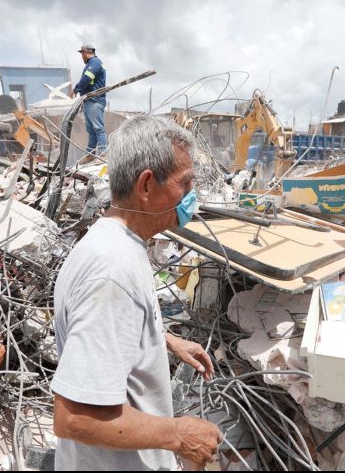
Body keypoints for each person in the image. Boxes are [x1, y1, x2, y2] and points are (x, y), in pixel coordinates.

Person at [51, 115, 222, 471]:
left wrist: (163, 339)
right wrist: (179, 435)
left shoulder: (112, 242)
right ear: (146, 185)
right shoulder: (113, 271)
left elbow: (111, 329)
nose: (192, 196)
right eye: (185, 183)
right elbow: (76, 418)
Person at [73, 44, 107, 162]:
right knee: (91, 130)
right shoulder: (91, 63)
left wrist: (76, 88)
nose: (82, 57)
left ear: (85, 53)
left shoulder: (94, 63)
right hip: (89, 101)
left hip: (95, 100)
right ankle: (90, 154)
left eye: (82, 54)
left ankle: (103, 154)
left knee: (98, 128)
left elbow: (86, 79)